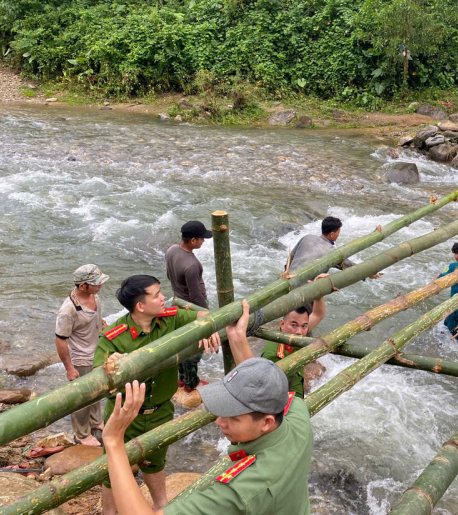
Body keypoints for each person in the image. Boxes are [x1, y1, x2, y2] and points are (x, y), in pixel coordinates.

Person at [101, 356, 312, 515]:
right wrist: (237, 336)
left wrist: (114, 442)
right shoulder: (298, 416)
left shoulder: (241, 492)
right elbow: (282, 398)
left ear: (266, 423)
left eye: (234, 417)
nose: (219, 421)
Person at [94, 275, 221, 515]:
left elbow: (205, 316)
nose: (164, 297)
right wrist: (108, 364)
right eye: (157, 295)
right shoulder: (114, 336)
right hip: (124, 415)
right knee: (112, 467)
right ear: (140, 306)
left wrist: (208, 328)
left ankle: (160, 506)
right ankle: (109, 512)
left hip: (161, 410)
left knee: (156, 461)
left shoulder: (168, 319)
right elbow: (97, 373)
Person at [55, 264, 109, 447]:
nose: (100, 286)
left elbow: (97, 318)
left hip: (97, 352)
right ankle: (82, 433)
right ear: (83, 286)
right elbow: (61, 340)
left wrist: (104, 328)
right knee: (82, 398)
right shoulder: (68, 310)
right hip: (80, 358)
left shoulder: (95, 296)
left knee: (98, 390)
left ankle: (95, 421)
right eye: (96, 283)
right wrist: (69, 368)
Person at [260, 275, 328, 398]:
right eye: (294, 325)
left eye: (304, 326)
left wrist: (319, 292)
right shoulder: (274, 355)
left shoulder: (295, 335)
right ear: (282, 324)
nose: (299, 332)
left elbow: (318, 314)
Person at [166, 220, 213, 393]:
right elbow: (195, 296)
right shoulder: (192, 265)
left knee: (181, 343)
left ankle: (181, 378)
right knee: (194, 349)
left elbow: (169, 275)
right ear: (193, 240)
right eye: (201, 239)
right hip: (192, 309)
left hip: (177, 303)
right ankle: (191, 383)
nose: (203, 242)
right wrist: (207, 315)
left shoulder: (171, 250)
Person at [286, 216, 381, 290]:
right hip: (302, 290)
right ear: (332, 234)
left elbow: (290, 258)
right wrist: (369, 273)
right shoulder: (331, 253)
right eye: (338, 232)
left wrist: (286, 275)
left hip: (285, 281)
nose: (339, 234)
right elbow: (351, 267)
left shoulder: (307, 237)